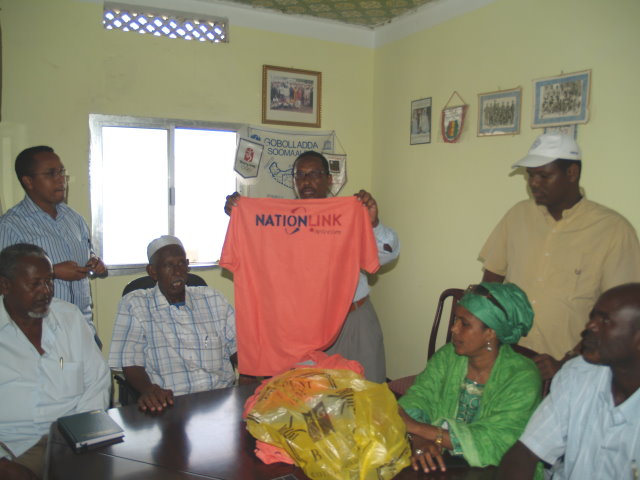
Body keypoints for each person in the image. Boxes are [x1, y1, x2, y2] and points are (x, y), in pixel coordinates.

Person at [224, 150, 399, 382]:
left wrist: (373, 223)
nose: (306, 181)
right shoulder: (278, 222)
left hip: (353, 321)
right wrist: (240, 214)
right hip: (305, 329)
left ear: (329, 179)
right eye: (300, 175)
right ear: (294, 181)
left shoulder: (349, 215)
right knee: (313, 396)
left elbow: (384, 256)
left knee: (368, 391)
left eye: (315, 174)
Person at [479, 133, 640, 379]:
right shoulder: (518, 216)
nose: (534, 183)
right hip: (508, 358)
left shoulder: (613, 230)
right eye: (531, 175)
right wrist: (486, 338)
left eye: (544, 176)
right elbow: (491, 281)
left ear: (572, 173)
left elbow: (619, 314)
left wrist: (567, 362)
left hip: (570, 368)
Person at [497, 283, 640, 480]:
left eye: (605, 320)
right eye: (593, 316)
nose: (590, 326)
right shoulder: (578, 374)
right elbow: (525, 452)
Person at [398, 282, 542, 474]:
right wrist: (420, 440)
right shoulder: (448, 355)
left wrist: (420, 429)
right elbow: (418, 397)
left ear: (491, 332)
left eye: (464, 323)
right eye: (456, 319)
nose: (454, 328)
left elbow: (495, 441)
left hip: (499, 471)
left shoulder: (522, 377)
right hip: (441, 461)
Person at [0, 244, 110, 480]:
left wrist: (85, 438)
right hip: (13, 448)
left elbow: (97, 383)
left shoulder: (70, 317)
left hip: (71, 439)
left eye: (49, 281)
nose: (46, 291)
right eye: (35, 284)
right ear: (5, 286)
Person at [108, 235, 237, 413]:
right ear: (153, 271)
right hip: (171, 403)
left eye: (182, 263)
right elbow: (130, 362)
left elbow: (238, 346)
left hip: (220, 400)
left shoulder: (213, 298)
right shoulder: (135, 304)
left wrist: (250, 376)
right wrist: (148, 390)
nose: (177, 271)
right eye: (168, 265)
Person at [0, 146, 107, 339]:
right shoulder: (11, 226)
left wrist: (94, 262)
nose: (61, 179)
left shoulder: (74, 219)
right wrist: (53, 272)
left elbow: (88, 252)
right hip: (41, 334)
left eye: (61, 172)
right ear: (28, 181)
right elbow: (5, 282)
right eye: (51, 174)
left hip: (83, 329)